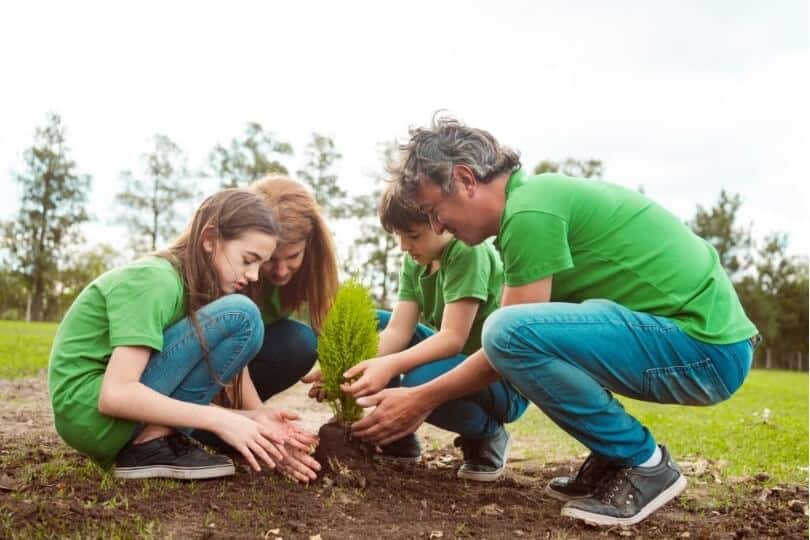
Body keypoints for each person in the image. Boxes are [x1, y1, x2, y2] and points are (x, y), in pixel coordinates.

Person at [350, 117, 759, 526]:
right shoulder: (531, 203)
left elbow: (502, 349)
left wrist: (420, 398)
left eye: (434, 210)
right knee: (517, 331)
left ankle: (643, 462)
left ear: (465, 179)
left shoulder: (530, 212)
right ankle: (615, 455)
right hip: (694, 344)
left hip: (706, 349)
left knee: (506, 331)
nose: (437, 226)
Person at [48, 189, 321, 482]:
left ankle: (155, 441)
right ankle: (149, 445)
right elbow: (116, 394)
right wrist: (221, 419)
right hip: (91, 415)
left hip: (107, 421)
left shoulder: (197, 289)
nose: (255, 276)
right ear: (209, 239)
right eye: (247, 259)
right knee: (242, 316)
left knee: (241, 317)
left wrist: (255, 421)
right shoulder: (155, 280)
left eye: (259, 264)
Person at [333, 185, 528, 481]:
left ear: (441, 222)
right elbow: (398, 331)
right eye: (398, 236)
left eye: (413, 236)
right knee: (370, 322)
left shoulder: (467, 251)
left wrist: (389, 365)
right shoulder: (415, 260)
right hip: (456, 360)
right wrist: (347, 365)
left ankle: (488, 434)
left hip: (499, 377)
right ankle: (398, 438)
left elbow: (453, 338)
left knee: (420, 382)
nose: (404, 246)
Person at [245, 175, 339, 402]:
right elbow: (225, 352)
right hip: (219, 360)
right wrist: (255, 416)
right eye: (270, 259)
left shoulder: (314, 266)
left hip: (254, 352)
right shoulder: (238, 271)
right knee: (299, 341)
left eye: (293, 256)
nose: (281, 271)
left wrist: (335, 375)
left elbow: (327, 321)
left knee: (379, 321)